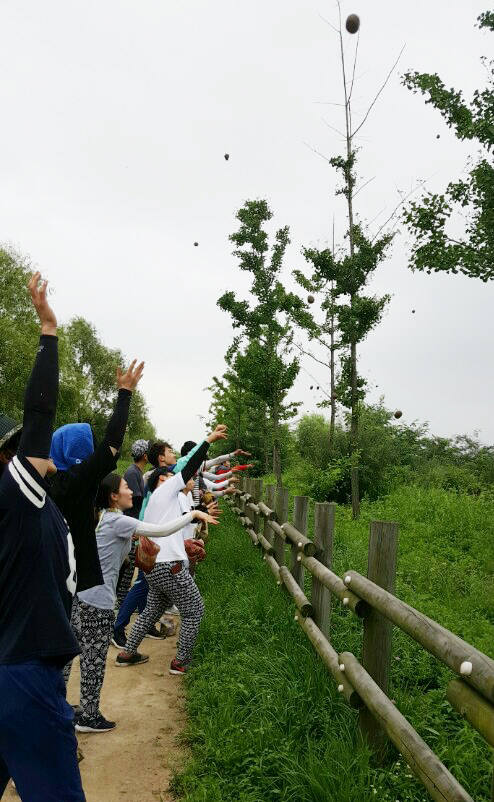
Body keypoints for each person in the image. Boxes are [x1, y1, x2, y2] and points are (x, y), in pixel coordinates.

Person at [0, 273, 85, 801]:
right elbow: (38, 417)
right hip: (23, 677)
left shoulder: (34, 507)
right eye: (17, 448)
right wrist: (48, 333)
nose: (33, 452)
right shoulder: (13, 496)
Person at [65, 472, 216, 733]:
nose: (131, 491)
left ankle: (59, 706)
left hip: (84, 596)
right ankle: (89, 717)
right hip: (97, 601)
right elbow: (161, 530)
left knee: (73, 655)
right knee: (94, 660)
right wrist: (193, 515)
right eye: (125, 487)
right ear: (114, 496)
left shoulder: (106, 519)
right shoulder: (117, 520)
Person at [116, 425, 227, 673]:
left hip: (155, 567)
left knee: (151, 610)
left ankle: (127, 652)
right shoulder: (165, 489)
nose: (174, 478)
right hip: (169, 566)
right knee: (195, 610)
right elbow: (189, 466)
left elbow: (181, 520)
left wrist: (202, 515)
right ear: (159, 482)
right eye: (167, 476)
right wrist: (208, 440)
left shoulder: (163, 500)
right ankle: (181, 663)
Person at [49, 359, 144, 593]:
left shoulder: (39, 478)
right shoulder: (80, 479)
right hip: (74, 573)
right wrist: (125, 393)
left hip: (45, 569)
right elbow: (112, 441)